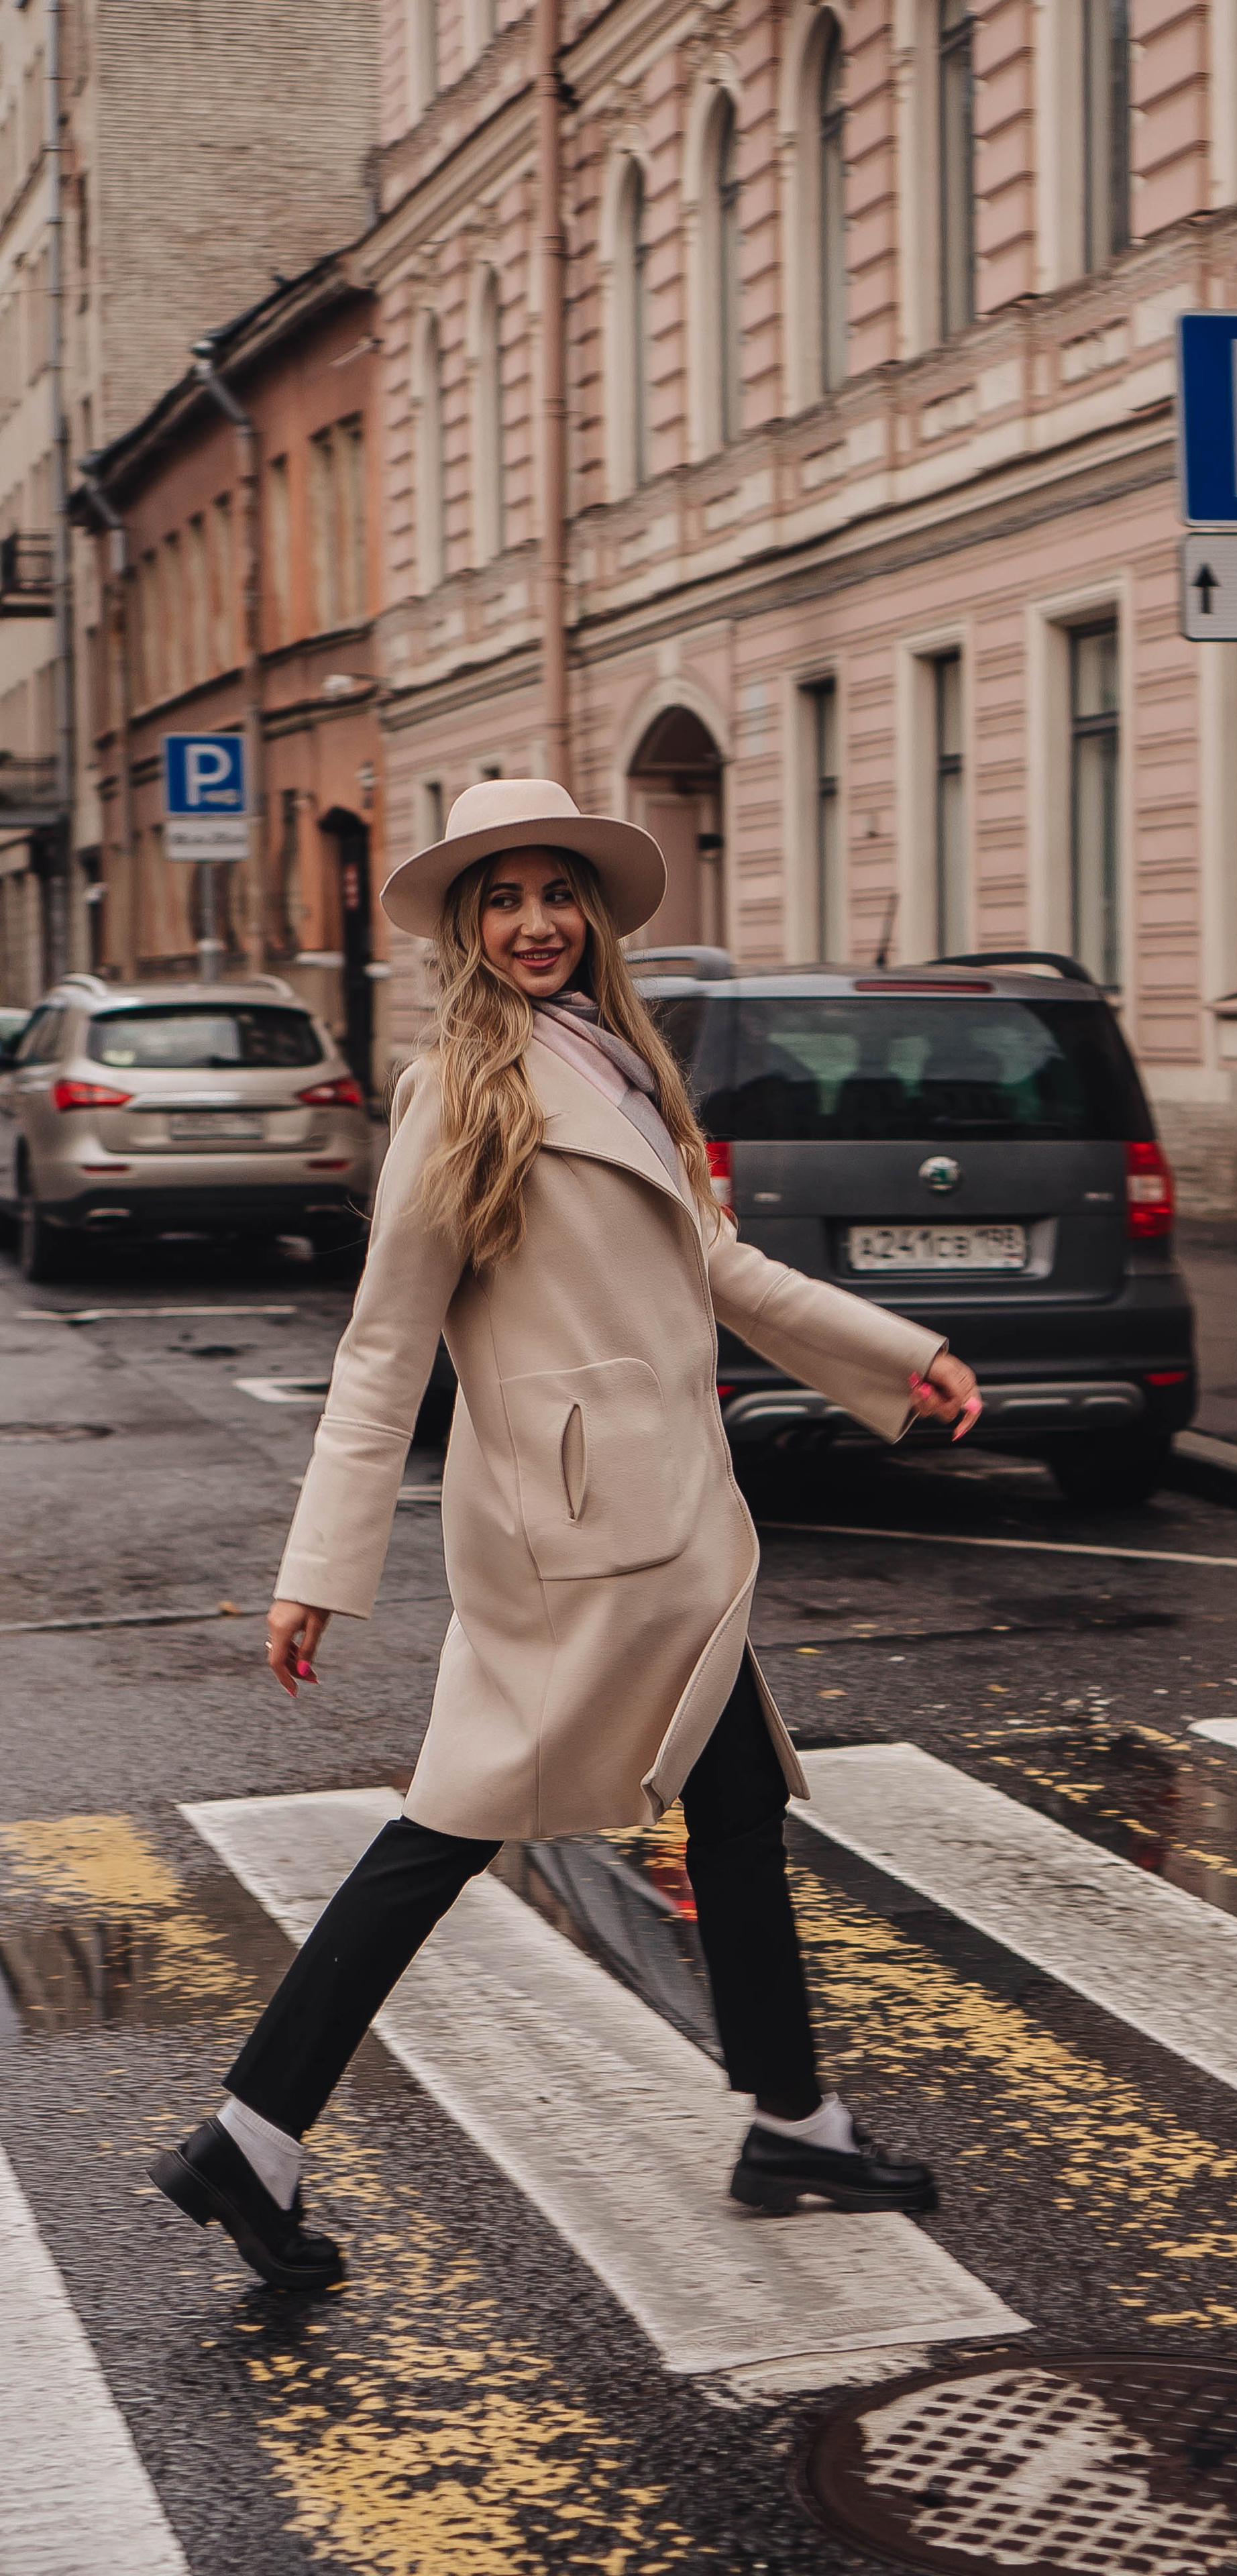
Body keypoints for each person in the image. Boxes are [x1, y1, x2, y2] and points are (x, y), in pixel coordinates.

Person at [149, 777, 979, 2294]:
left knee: (735, 1805)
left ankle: (791, 2120)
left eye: (555, 896)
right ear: (467, 927)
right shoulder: (462, 1086)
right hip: (579, 1529)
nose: (534, 924)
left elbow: (718, 1268)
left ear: (591, 914)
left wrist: (892, 1353)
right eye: (503, 900)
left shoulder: (619, 1062)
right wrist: (318, 1568)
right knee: (449, 1827)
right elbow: (385, 1344)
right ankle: (250, 2137)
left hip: (661, 1512)